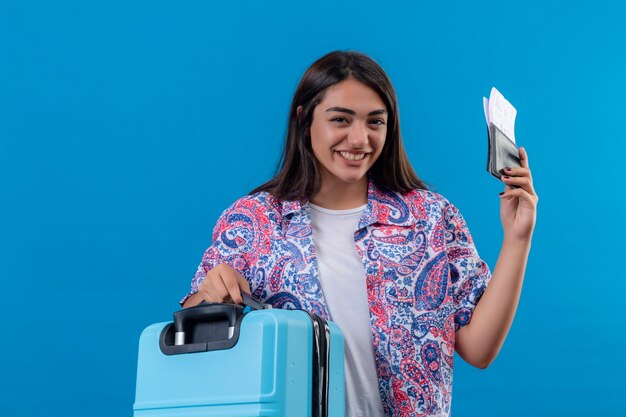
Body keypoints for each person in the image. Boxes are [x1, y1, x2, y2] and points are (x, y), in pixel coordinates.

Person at [180, 50, 538, 417]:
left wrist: (517, 237)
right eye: (341, 119)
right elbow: (190, 332)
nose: (359, 139)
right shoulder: (253, 219)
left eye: (375, 122)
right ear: (305, 120)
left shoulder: (431, 217)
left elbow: (479, 350)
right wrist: (211, 295)